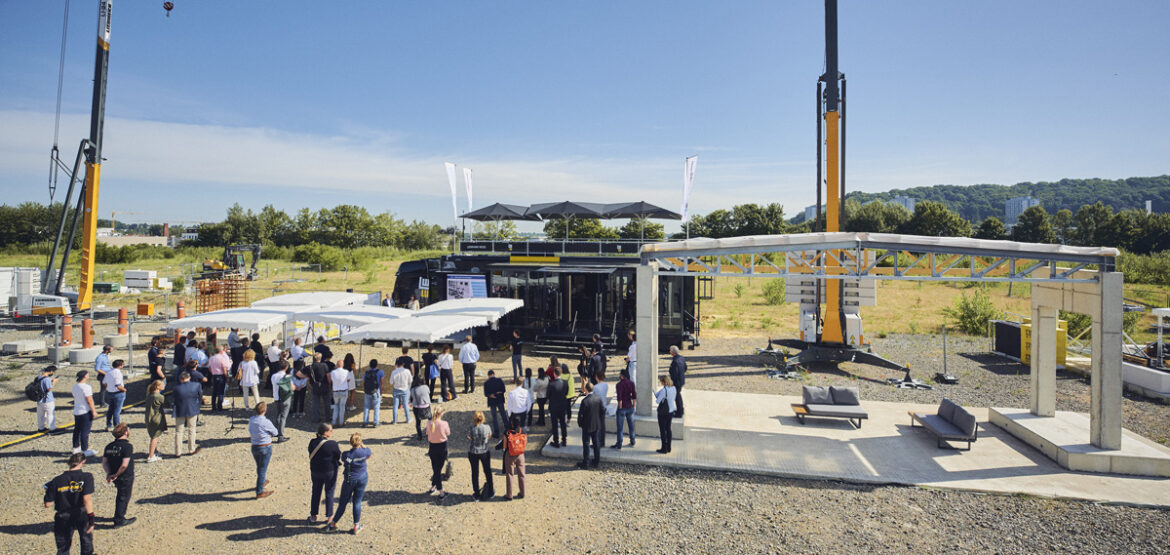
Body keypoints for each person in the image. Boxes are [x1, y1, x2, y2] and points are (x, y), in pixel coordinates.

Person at [44, 453, 95, 555]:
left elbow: (48, 504)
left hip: (63, 515)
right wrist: (91, 519)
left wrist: (48, 491)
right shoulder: (87, 477)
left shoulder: (57, 480)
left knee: (63, 546)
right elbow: (87, 499)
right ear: (83, 461)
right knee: (86, 539)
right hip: (81, 513)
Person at [327, 433, 371, 534]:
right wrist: (362, 445)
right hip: (362, 477)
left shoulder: (346, 455)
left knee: (343, 502)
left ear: (350, 443)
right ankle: (356, 525)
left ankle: (334, 522)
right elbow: (368, 454)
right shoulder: (365, 452)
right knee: (357, 502)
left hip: (350, 478)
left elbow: (345, 460)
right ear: (360, 442)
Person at [101, 423, 136, 527]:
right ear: (125, 432)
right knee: (123, 497)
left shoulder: (109, 446)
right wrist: (116, 474)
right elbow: (124, 465)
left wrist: (109, 474)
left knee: (121, 495)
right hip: (125, 476)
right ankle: (119, 519)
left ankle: (118, 516)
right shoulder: (127, 446)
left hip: (114, 474)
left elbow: (105, 462)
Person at [308, 423, 341, 523]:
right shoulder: (332, 444)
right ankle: (330, 516)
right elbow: (338, 455)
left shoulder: (312, 442)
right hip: (329, 471)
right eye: (331, 430)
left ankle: (313, 515)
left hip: (315, 471)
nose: (332, 432)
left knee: (316, 492)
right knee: (329, 492)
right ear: (326, 433)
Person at [249, 402, 279, 499]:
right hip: (265, 447)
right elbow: (275, 432)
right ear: (264, 411)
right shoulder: (266, 422)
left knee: (260, 466)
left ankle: (262, 482)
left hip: (255, 446)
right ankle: (260, 491)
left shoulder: (252, 420)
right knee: (262, 469)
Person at [173, 371, 203, 457]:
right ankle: (191, 449)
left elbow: (174, 398)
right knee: (192, 429)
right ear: (189, 378)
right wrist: (198, 406)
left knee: (179, 431)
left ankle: (178, 452)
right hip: (192, 408)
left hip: (180, 409)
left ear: (180, 379)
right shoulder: (196, 385)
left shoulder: (176, 388)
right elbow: (200, 395)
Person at [466, 411, 493, 501]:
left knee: (475, 473)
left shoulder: (471, 428)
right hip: (484, 451)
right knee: (487, 471)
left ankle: (476, 493)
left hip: (473, 451)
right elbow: (490, 436)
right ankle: (491, 491)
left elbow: (468, 437)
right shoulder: (487, 427)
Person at [576, 381, 603, 469]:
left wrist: (580, 424)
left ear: (586, 390)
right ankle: (596, 461)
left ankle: (586, 463)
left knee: (586, 444)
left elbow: (580, 415)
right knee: (596, 443)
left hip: (587, 426)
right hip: (596, 424)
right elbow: (602, 411)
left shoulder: (585, 401)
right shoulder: (598, 398)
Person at [425, 406, 450, 499]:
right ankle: (441, 491)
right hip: (442, 447)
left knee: (436, 468)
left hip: (432, 447)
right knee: (438, 470)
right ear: (441, 414)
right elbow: (447, 433)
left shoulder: (429, 423)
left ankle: (433, 487)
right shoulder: (444, 423)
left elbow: (428, 433)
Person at [71, 370, 97, 457]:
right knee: (85, 431)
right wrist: (93, 411)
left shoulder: (75, 386)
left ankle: (75, 447)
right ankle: (85, 449)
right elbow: (89, 400)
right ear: (85, 376)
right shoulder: (86, 387)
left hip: (77, 411)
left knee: (77, 430)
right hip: (85, 411)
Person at [269, 361, 294, 441]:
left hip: (276, 398)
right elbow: (292, 388)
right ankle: (281, 435)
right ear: (286, 367)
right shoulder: (287, 377)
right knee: (283, 417)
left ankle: (274, 432)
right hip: (285, 398)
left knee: (278, 415)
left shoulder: (273, 376)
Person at [502, 419, 527, 501]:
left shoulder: (507, 432)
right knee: (522, 474)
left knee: (509, 474)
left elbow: (505, 446)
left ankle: (509, 495)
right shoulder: (522, 430)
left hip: (510, 454)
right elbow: (525, 442)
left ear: (511, 423)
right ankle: (522, 493)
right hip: (520, 454)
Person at [612, 369, 637, 449]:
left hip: (622, 407)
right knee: (631, 426)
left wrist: (620, 407)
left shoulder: (619, 385)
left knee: (620, 428)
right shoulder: (631, 383)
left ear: (622, 376)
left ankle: (619, 444)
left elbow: (619, 397)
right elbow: (634, 395)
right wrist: (633, 405)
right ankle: (632, 441)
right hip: (630, 406)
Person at [546, 367, 569, 448]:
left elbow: (548, 395)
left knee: (554, 424)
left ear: (554, 374)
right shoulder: (565, 383)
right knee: (563, 423)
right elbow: (566, 393)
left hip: (554, 407)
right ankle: (564, 440)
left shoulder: (551, 384)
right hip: (562, 405)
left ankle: (556, 441)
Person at [143, 380, 166, 462]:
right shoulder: (159, 397)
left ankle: (155, 451)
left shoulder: (149, 395)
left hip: (149, 418)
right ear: (157, 387)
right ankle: (151, 456)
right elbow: (166, 404)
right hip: (156, 418)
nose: (164, 385)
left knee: (153, 435)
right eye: (162, 385)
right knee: (155, 437)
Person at [101, 359, 127, 429]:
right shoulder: (118, 373)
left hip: (110, 393)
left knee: (110, 410)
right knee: (117, 411)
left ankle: (108, 425)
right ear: (120, 365)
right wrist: (124, 390)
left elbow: (104, 383)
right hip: (118, 393)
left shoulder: (108, 372)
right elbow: (118, 385)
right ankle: (117, 426)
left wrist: (108, 388)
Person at [655, 375, 677, 454]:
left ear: (664, 382)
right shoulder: (674, 388)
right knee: (668, 429)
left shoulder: (664, 390)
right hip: (671, 411)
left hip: (663, 413)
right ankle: (669, 447)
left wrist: (655, 393)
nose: (661, 383)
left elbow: (657, 401)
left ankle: (664, 448)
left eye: (661, 382)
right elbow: (673, 398)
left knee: (662, 430)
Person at [309, 353, 332, 423]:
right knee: (327, 402)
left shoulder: (311, 367)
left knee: (316, 403)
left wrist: (311, 384)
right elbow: (328, 376)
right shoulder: (324, 365)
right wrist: (329, 384)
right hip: (324, 385)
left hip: (315, 386)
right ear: (320, 358)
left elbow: (309, 377)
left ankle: (317, 418)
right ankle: (328, 417)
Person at [361, 360, 384, 428]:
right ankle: (376, 422)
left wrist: (365, 388)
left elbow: (363, 382)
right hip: (376, 391)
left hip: (367, 392)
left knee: (366, 407)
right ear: (377, 365)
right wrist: (381, 391)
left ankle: (365, 422)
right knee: (376, 407)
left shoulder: (366, 372)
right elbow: (382, 383)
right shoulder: (380, 372)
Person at [207, 345, 231, 412]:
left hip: (214, 375)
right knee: (220, 392)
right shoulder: (222, 358)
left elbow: (209, 367)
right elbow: (224, 368)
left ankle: (213, 406)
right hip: (221, 375)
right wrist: (227, 376)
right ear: (221, 351)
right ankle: (219, 407)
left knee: (214, 392)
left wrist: (212, 373)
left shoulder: (211, 358)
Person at [483, 370, 506, 438]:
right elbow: (504, 390)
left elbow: (486, 393)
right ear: (494, 374)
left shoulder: (486, 383)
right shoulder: (499, 380)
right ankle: (508, 429)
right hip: (500, 399)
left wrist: (490, 395)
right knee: (503, 414)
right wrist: (499, 392)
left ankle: (496, 432)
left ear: (488, 375)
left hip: (492, 400)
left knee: (494, 417)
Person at [36, 365, 58, 434]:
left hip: (39, 399)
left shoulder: (38, 378)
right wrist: (54, 382)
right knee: (50, 414)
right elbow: (49, 389)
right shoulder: (47, 379)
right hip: (47, 400)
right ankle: (52, 429)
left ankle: (41, 428)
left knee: (40, 415)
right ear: (51, 371)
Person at [389, 360, 412, 425]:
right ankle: (408, 419)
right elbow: (410, 381)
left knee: (395, 406)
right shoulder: (407, 371)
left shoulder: (394, 372)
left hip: (396, 389)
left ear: (396, 364)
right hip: (405, 389)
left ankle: (395, 420)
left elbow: (391, 382)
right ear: (403, 363)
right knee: (405, 404)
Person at [410, 376, 431, 441]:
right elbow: (428, 393)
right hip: (427, 406)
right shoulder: (426, 387)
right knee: (430, 420)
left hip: (417, 407)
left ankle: (420, 436)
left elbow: (411, 397)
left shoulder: (413, 389)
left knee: (418, 422)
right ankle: (430, 433)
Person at [330, 359, 350, 427]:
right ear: (343, 365)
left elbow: (331, 380)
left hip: (336, 391)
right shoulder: (346, 372)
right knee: (342, 407)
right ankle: (341, 422)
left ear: (336, 365)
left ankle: (333, 422)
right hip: (344, 391)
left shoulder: (333, 372)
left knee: (336, 406)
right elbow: (348, 380)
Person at [668, 345, 687, 417]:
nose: (670, 352)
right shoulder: (682, 358)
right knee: (678, 395)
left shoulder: (675, 361)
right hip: (681, 380)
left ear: (672, 352)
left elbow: (674, 373)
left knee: (677, 397)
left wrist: (671, 382)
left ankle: (679, 412)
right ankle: (681, 410)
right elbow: (685, 368)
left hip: (677, 382)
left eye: (670, 351)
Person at [93, 345, 112, 409]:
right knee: (103, 390)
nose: (112, 350)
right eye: (111, 349)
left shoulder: (105, 356)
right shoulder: (100, 357)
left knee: (106, 389)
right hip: (103, 375)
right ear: (107, 350)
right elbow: (97, 369)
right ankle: (102, 403)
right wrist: (106, 374)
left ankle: (106, 401)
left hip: (107, 374)